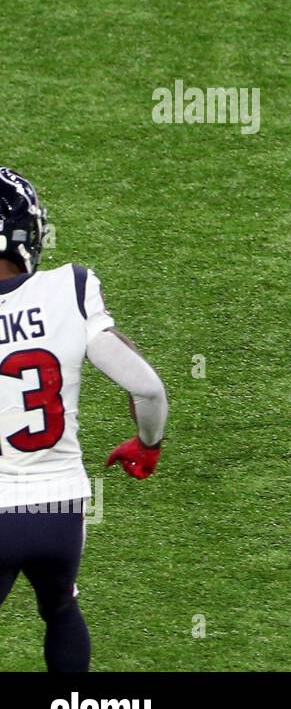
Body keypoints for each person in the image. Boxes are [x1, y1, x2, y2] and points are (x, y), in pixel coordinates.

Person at [0, 168, 169, 670]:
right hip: (60, 509)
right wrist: (148, 443)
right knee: (60, 608)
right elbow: (148, 386)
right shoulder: (68, 289)